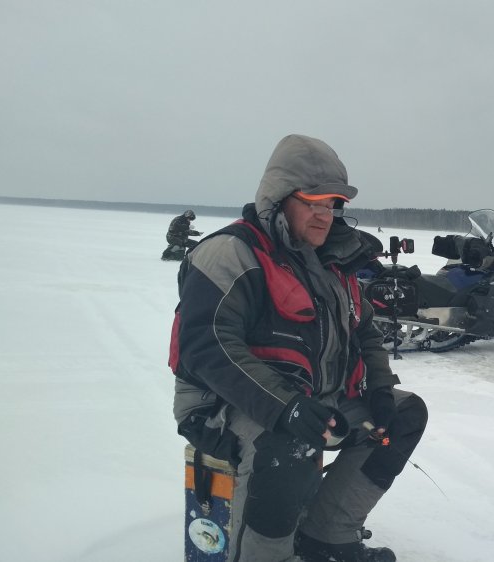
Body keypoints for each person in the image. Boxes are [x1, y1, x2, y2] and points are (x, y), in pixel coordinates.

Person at [170, 134, 428, 562]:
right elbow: (208, 346)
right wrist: (285, 407)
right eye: (313, 202)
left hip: (312, 401)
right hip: (223, 407)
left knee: (403, 414)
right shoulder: (229, 255)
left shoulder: (331, 263)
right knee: (289, 442)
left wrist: (380, 390)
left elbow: (364, 330)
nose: (325, 215)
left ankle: (327, 535)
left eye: (332, 204)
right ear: (278, 198)